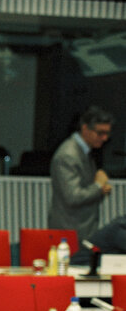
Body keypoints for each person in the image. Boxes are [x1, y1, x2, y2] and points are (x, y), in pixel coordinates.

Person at [48, 105, 114, 251]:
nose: (105, 138)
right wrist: (98, 186)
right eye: (100, 133)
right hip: (69, 232)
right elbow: (73, 197)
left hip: (82, 229)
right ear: (85, 129)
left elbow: (85, 190)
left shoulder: (85, 152)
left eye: (107, 133)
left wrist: (101, 189)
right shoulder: (68, 155)